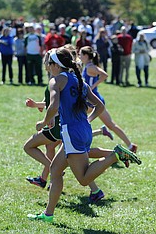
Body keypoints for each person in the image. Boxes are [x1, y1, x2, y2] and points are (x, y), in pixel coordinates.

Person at [27, 47, 141, 222]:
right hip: (81, 130)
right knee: (55, 170)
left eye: (49, 63)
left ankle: (114, 155)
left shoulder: (56, 80)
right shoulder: (78, 79)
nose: (48, 66)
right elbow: (100, 106)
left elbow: (54, 106)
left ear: (55, 65)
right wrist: (88, 120)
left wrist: (43, 123)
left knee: (83, 178)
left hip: (72, 133)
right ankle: (48, 215)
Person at [80, 46, 138, 153]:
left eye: (81, 54)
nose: (79, 56)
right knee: (111, 124)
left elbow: (104, 75)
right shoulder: (87, 66)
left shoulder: (90, 67)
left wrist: (92, 87)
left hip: (93, 101)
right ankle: (130, 145)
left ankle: (79, 147)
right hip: (94, 100)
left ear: (86, 56)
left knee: (77, 119)